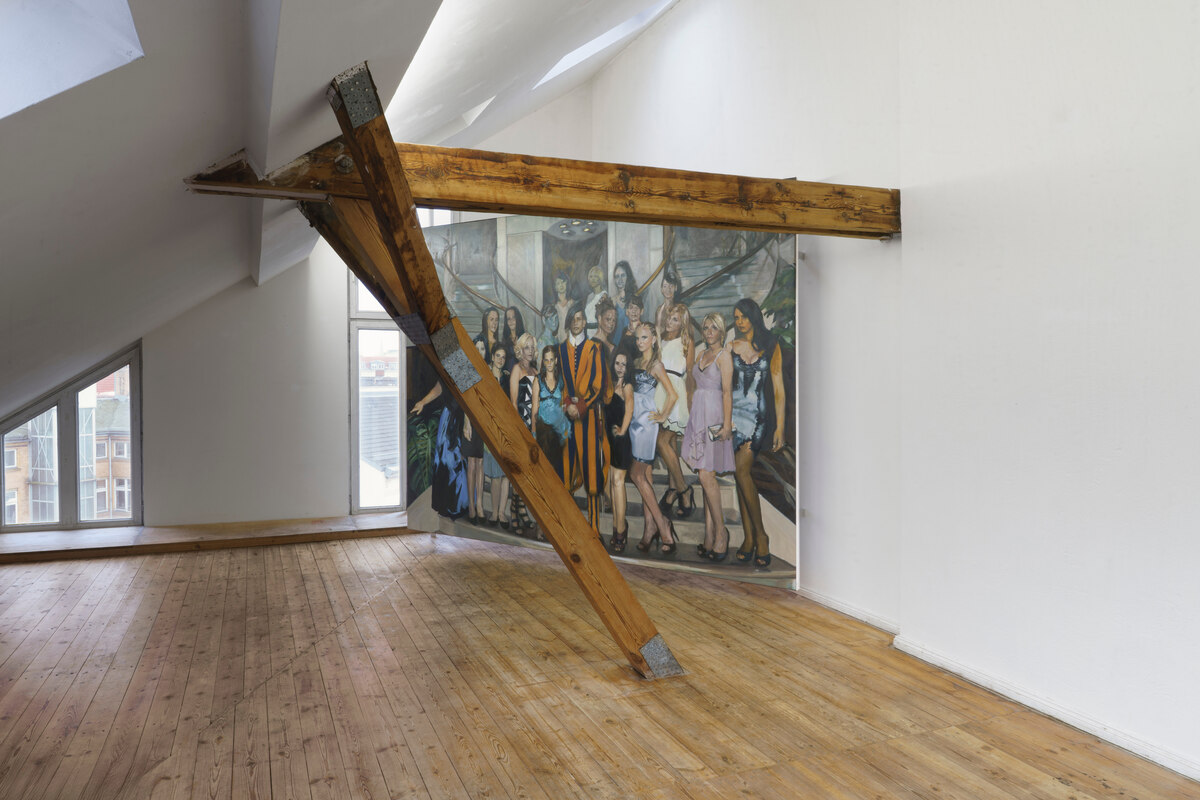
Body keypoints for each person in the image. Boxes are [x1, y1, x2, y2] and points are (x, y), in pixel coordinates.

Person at [728, 298, 786, 568]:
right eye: (736, 317)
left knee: (741, 470)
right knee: (741, 474)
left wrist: (780, 427)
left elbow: (778, 388)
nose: (739, 322)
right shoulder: (732, 347)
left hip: (759, 418)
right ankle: (749, 537)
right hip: (735, 417)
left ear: (753, 317)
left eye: (743, 316)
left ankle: (761, 535)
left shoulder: (771, 344)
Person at [681, 313, 735, 560]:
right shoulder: (701, 354)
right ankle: (709, 535)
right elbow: (692, 385)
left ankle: (721, 532)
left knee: (706, 475)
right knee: (704, 476)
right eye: (706, 327)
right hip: (698, 417)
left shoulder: (724, 357)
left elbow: (727, 393)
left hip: (714, 418)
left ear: (721, 331)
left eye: (714, 327)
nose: (709, 331)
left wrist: (726, 425)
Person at [629, 322, 678, 556]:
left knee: (636, 474)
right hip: (633, 423)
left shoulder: (656, 365)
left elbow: (673, 394)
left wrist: (662, 416)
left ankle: (663, 525)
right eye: (638, 338)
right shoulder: (636, 363)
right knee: (645, 476)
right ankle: (649, 529)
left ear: (654, 339)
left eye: (644, 337)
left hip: (647, 425)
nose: (640, 342)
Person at [558, 303, 608, 533]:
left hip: (588, 416)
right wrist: (567, 405)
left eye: (580, 318)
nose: (576, 322)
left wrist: (581, 406)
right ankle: (567, 526)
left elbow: (599, 384)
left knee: (591, 469)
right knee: (566, 468)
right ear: (568, 322)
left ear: (585, 322)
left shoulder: (594, 348)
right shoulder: (560, 349)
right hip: (567, 417)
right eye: (573, 319)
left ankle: (594, 528)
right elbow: (559, 383)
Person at [655, 302, 695, 518]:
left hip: (677, 394)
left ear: (683, 324)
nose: (670, 322)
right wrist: (660, 316)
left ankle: (683, 489)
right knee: (668, 444)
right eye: (669, 318)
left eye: (675, 320)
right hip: (662, 391)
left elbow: (690, 376)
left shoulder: (687, 342)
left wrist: (690, 403)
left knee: (662, 441)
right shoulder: (662, 339)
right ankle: (672, 489)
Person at [409, 381, 467, 520]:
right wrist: (422, 402)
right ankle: (446, 504)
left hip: (463, 417)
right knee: (444, 460)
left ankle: (459, 505)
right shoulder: (448, 367)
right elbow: (439, 387)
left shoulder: (466, 369)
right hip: (448, 417)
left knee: (458, 461)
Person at [509, 333, 540, 536]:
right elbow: (513, 403)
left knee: (527, 474)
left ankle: (522, 509)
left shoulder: (535, 371)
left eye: (532, 347)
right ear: (520, 349)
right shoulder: (516, 369)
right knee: (519, 472)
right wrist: (518, 430)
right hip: (520, 427)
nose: (529, 351)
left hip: (532, 427)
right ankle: (514, 511)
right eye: (526, 347)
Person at [605, 351, 634, 553]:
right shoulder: (611, 385)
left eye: (624, 364)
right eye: (617, 363)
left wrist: (623, 430)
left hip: (621, 441)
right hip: (609, 440)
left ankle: (621, 531)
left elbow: (630, 409)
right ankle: (617, 526)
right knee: (612, 485)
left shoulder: (627, 387)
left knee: (618, 482)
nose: (620, 367)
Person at [482, 344, 512, 528]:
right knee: (495, 475)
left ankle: (502, 512)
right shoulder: (485, 376)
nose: (500, 359)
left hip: (506, 430)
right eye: (498, 356)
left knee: (505, 475)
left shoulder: (507, 378)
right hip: (491, 429)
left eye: (503, 357)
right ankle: (494, 512)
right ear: (492, 357)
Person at [536, 345, 570, 484]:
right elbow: (534, 409)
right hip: (542, 431)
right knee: (542, 471)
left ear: (556, 360)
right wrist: (533, 432)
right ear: (543, 361)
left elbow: (565, 404)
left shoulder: (561, 381)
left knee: (556, 472)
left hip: (557, 433)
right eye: (546, 360)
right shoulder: (538, 380)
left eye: (551, 359)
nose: (549, 363)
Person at [613, 292, 645, 367]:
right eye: (631, 308)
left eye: (637, 308)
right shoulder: (625, 330)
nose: (634, 311)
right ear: (627, 312)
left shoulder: (644, 329)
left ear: (641, 311)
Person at [611, 260, 636, 342]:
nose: (620, 279)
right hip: (615, 343)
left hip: (631, 342)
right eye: (617, 276)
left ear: (628, 277)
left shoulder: (634, 299)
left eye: (623, 275)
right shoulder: (612, 301)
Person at [654, 266, 683, 334]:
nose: (668, 289)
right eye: (665, 286)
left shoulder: (680, 309)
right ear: (661, 289)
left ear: (675, 288)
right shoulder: (659, 310)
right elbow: (657, 330)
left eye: (671, 286)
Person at [583, 264, 609, 333]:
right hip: (587, 331)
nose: (593, 279)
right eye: (591, 276)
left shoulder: (604, 295)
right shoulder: (589, 296)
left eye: (595, 276)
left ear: (600, 278)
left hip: (598, 331)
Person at [500, 306, 526, 371]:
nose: (511, 321)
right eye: (508, 319)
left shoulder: (525, 338)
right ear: (506, 322)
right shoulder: (504, 342)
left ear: (518, 319)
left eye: (513, 317)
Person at [552, 272, 573, 342]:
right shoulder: (554, 306)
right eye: (558, 283)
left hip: (570, 335)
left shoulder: (571, 303)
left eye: (563, 282)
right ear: (555, 287)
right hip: (558, 335)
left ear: (567, 283)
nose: (561, 285)